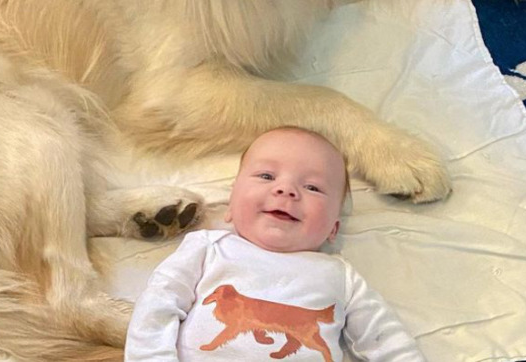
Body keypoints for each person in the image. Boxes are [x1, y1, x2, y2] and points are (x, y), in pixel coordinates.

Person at [125, 126, 426, 362]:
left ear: (333, 227)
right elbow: (158, 305)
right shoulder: (208, 248)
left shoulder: (340, 276)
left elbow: (387, 340)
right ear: (230, 205)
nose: (286, 189)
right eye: (267, 176)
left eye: (313, 187)